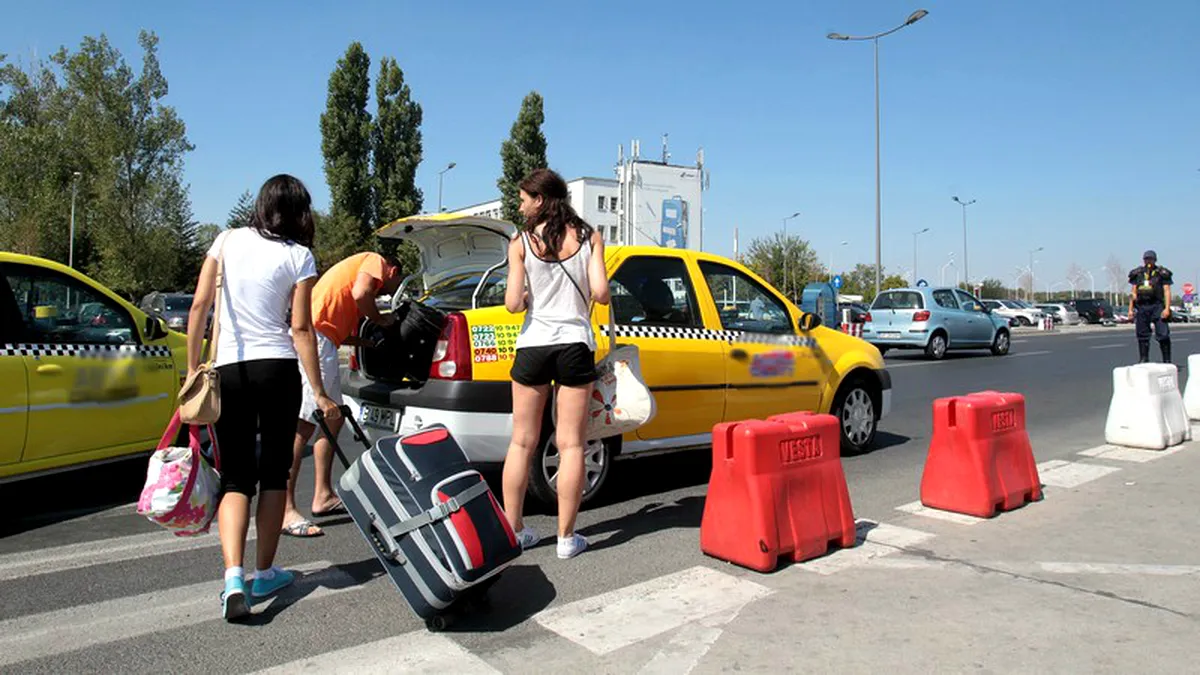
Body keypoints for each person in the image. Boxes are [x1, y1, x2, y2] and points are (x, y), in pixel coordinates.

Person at [186, 174, 340, 621]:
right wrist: (320, 391)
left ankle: (233, 579)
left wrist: (194, 366)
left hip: (229, 369)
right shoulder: (299, 256)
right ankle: (265, 571)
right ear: (299, 213)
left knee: (235, 477)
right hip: (277, 368)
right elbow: (301, 329)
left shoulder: (227, 240)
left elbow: (199, 306)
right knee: (274, 474)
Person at [501, 168, 610, 560]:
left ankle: (515, 532)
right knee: (572, 444)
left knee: (522, 442)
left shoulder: (521, 242)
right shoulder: (588, 236)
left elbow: (513, 304)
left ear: (541, 200)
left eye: (524, 198)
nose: (520, 204)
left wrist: (532, 297)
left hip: (534, 345)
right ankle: (566, 538)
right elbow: (600, 292)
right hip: (574, 345)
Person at [283, 252, 403, 537]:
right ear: (394, 269)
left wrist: (366, 342)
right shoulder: (376, 261)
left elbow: (341, 331)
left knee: (332, 418)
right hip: (316, 340)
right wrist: (382, 320)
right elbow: (362, 294)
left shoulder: (353, 275)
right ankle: (285, 506)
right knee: (305, 425)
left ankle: (322, 496)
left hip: (322, 338)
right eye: (396, 281)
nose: (393, 287)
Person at [1128, 250, 1173, 364]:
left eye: (1150, 259)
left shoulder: (1161, 273)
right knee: (1142, 334)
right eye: (1146, 259)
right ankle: (1144, 359)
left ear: (1155, 260)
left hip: (1157, 305)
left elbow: (1167, 291)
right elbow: (1133, 292)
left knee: (1163, 334)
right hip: (1142, 306)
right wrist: (1130, 309)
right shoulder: (1137, 273)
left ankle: (1166, 360)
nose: (1148, 261)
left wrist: (1167, 308)